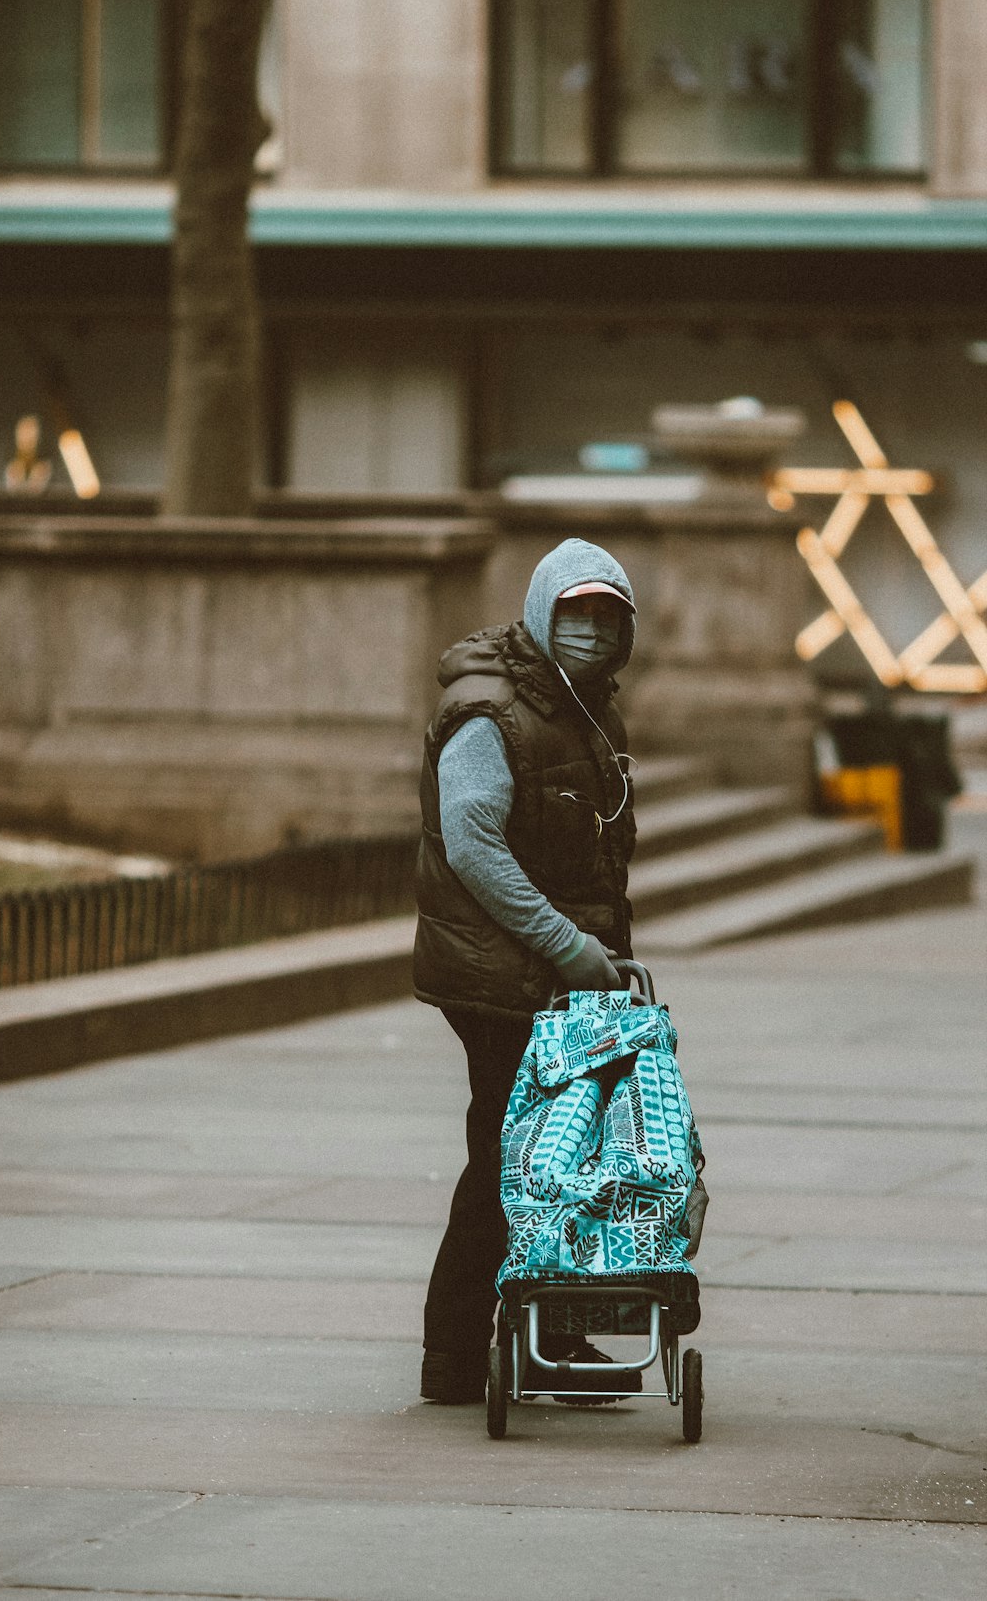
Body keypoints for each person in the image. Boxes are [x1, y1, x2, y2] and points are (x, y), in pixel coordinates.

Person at [413, 537, 638, 1403]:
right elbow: (474, 844)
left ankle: (551, 1336)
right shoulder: (490, 710)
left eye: (607, 615)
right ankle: (461, 1357)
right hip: (500, 977)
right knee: (510, 1160)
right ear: (543, 610)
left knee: (563, 1155)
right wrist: (567, 946)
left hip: (558, 971)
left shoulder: (586, 708)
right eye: (575, 613)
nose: (590, 630)